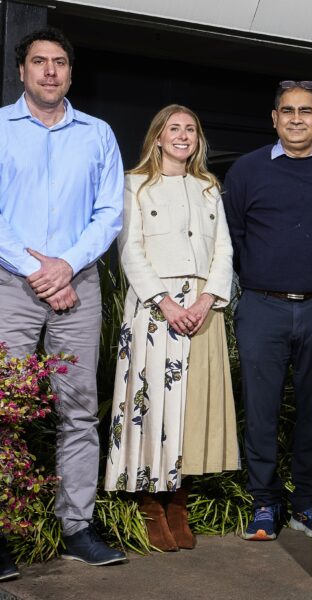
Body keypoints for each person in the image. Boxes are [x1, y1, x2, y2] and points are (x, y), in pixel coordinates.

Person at [0, 27, 126, 567]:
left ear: (70, 73)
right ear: (22, 71)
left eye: (59, 62)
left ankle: (77, 527)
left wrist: (66, 266)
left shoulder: (97, 134)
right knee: (5, 410)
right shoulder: (0, 130)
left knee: (77, 411)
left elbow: (110, 212)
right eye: (38, 62)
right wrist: (39, 270)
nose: (49, 71)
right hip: (11, 284)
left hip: (80, 286)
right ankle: (2, 531)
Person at [223, 80, 312, 541]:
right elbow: (235, 238)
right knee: (260, 410)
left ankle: (306, 501)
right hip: (262, 307)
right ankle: (263, 503)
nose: (296, 119)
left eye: (306, 111)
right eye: (287, 111)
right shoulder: (246, 171)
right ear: (274, 118)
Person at [103, 104, 238, 552]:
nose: (183, 136)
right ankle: (148, 499)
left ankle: (177, 498)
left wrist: (205, 300)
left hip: (203, 308)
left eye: (190, 130)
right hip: (154, 308)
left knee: (190, 408)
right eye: (173, 128)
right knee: (152, 403)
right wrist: (164, 302)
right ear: (157, 136)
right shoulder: (134, 184)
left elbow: (224, 250)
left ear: (198, 140)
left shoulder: (207, 187)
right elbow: (130, 250)